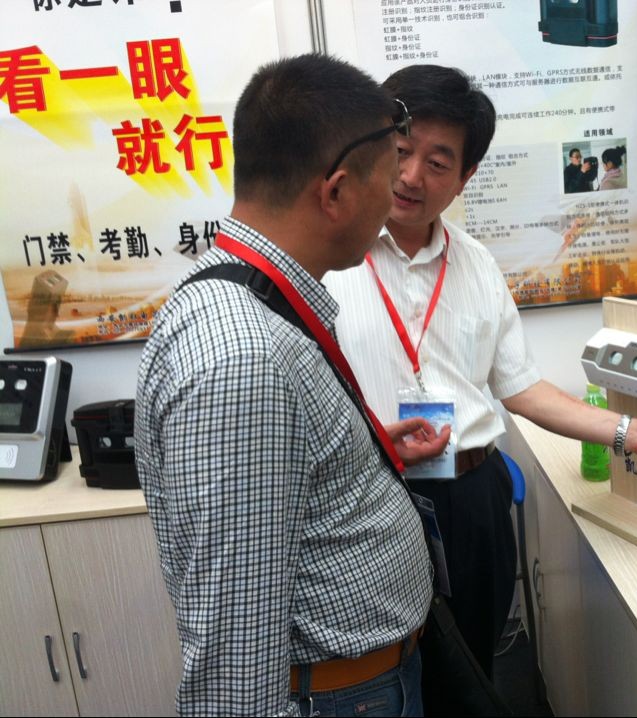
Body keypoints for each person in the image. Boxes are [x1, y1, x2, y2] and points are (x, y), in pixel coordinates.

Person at [324, 63, 637, 704]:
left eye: (438, 162)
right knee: (390, 680)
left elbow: (523, 389)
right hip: (374, 496)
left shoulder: (477, 264)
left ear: (465, 177)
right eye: (400, 150)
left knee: (472, 671)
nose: (411, 176)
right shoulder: (329, 259)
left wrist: (631, 432)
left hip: (473, 499)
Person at [135, 54, 449, 717]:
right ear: (336, 192)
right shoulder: (242, 361)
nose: (395, 200)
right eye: (390, 177)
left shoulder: (255, 299)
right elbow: (232, 662)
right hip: (342, 699)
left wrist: (357, 454)